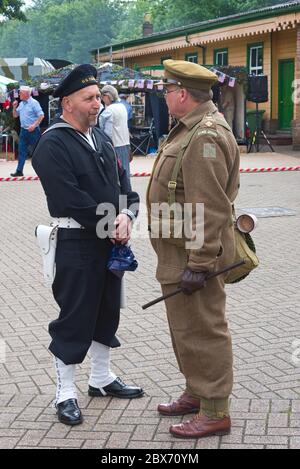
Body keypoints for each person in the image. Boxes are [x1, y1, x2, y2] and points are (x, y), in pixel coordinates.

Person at [32, 64, 143, 427]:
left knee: (107, 310)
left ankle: (101, 378)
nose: (98, 103)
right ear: (67, 102)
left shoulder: (104, 140)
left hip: (109, 242)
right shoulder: (53, 142)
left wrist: (128, 215)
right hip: (76, 243)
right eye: (90, 98)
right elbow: (69, 199)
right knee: (76, 316)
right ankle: (65, 393)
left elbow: (126, 186)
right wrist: (113, 221)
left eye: (98, 97)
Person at [147, 59, 240, 439]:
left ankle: (215, 410)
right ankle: (197, 391)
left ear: (182, 94)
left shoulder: (203, 136)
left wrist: (199, 264)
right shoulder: (188, 129)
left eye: (167, 91)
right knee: (185, 328)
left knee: (204, 329)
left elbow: (211, 206)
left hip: (193, 254)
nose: (166, 98)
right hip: (178, 250)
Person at [99, 85, 132, 187]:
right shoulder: (122, 107)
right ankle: (128, 199)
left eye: (102, 97)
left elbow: (106, 133)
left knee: (116, 177)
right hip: (125, 144)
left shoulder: (109, 111)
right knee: (125, 176)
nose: (101, 100)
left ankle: (119, 201)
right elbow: (126, 128)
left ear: (107, 96)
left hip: (114, 146)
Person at [11, 85, 44, 177]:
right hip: (23, 131)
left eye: (20, 93)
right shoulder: (21, 103)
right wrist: (14, 107)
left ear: (26, 94)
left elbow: (41, 115)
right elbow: (15, 115)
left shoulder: (34, 103)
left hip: (33, 131)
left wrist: (34, 125)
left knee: (37, 152)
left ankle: (43, 170)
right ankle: (19, 171)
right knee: (21, 151)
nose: (19, 94)